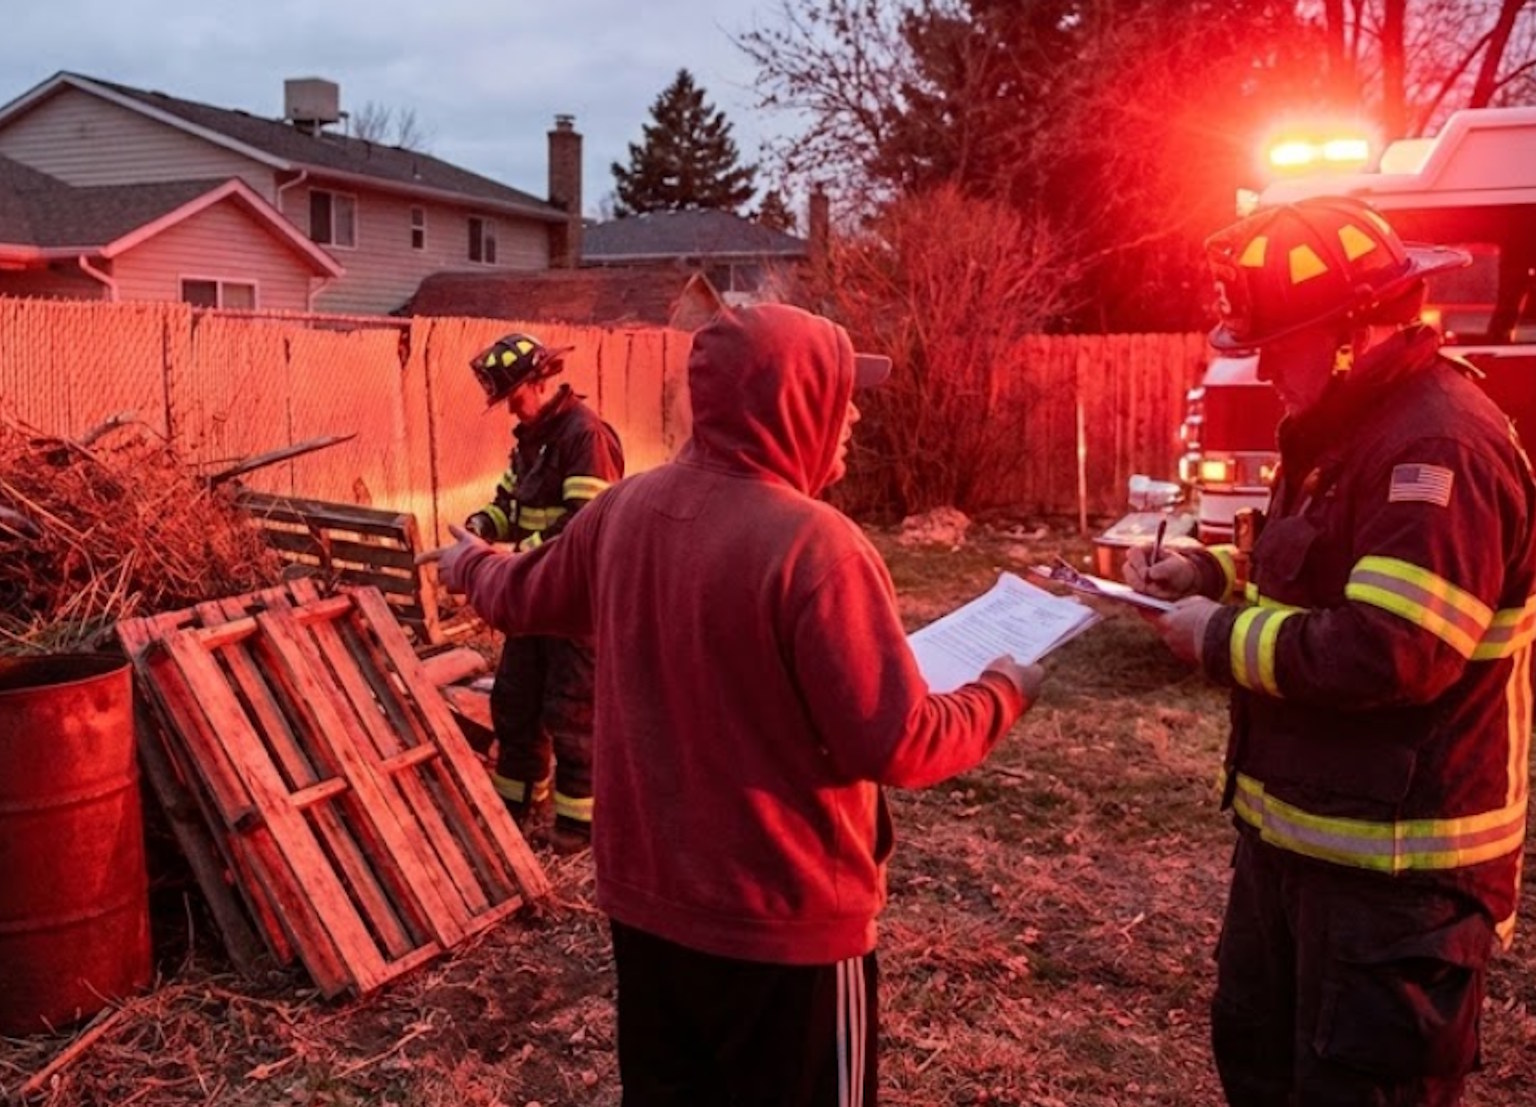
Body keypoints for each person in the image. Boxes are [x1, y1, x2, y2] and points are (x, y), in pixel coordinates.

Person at [437, 303, 1043, 1106]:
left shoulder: (627, 511)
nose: (854, 413)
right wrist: (1005, 689)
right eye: (840, 391)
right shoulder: (817, 548)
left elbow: (520, 591)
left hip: (648, 914)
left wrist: (468, 563)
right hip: (785, 933)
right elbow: (899, 742)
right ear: (790, 401)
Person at [1126, 195, 1536, 1106]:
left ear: (1355, 332)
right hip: (1295, 853)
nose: (1264, 364)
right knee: (1261, 1071)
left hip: (1397, 887)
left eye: (1280, 340)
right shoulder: (1348, 431)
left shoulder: (1440, 445)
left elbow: (1393, 647)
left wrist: (1216, 639)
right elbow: (1314, 568)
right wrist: (1206, 572)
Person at [463, 332, 624, 852]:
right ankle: (515, 810)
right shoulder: (531, 439)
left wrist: (516, 556)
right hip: (532, 598)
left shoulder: (584, 435)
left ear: (541, 380)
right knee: (515, 703)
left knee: (573, 712)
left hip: (576, 605)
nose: (513, 409)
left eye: (515, 397)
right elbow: (508, 505)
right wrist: (480, 528)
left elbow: (586, 524)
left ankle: (577, 830)